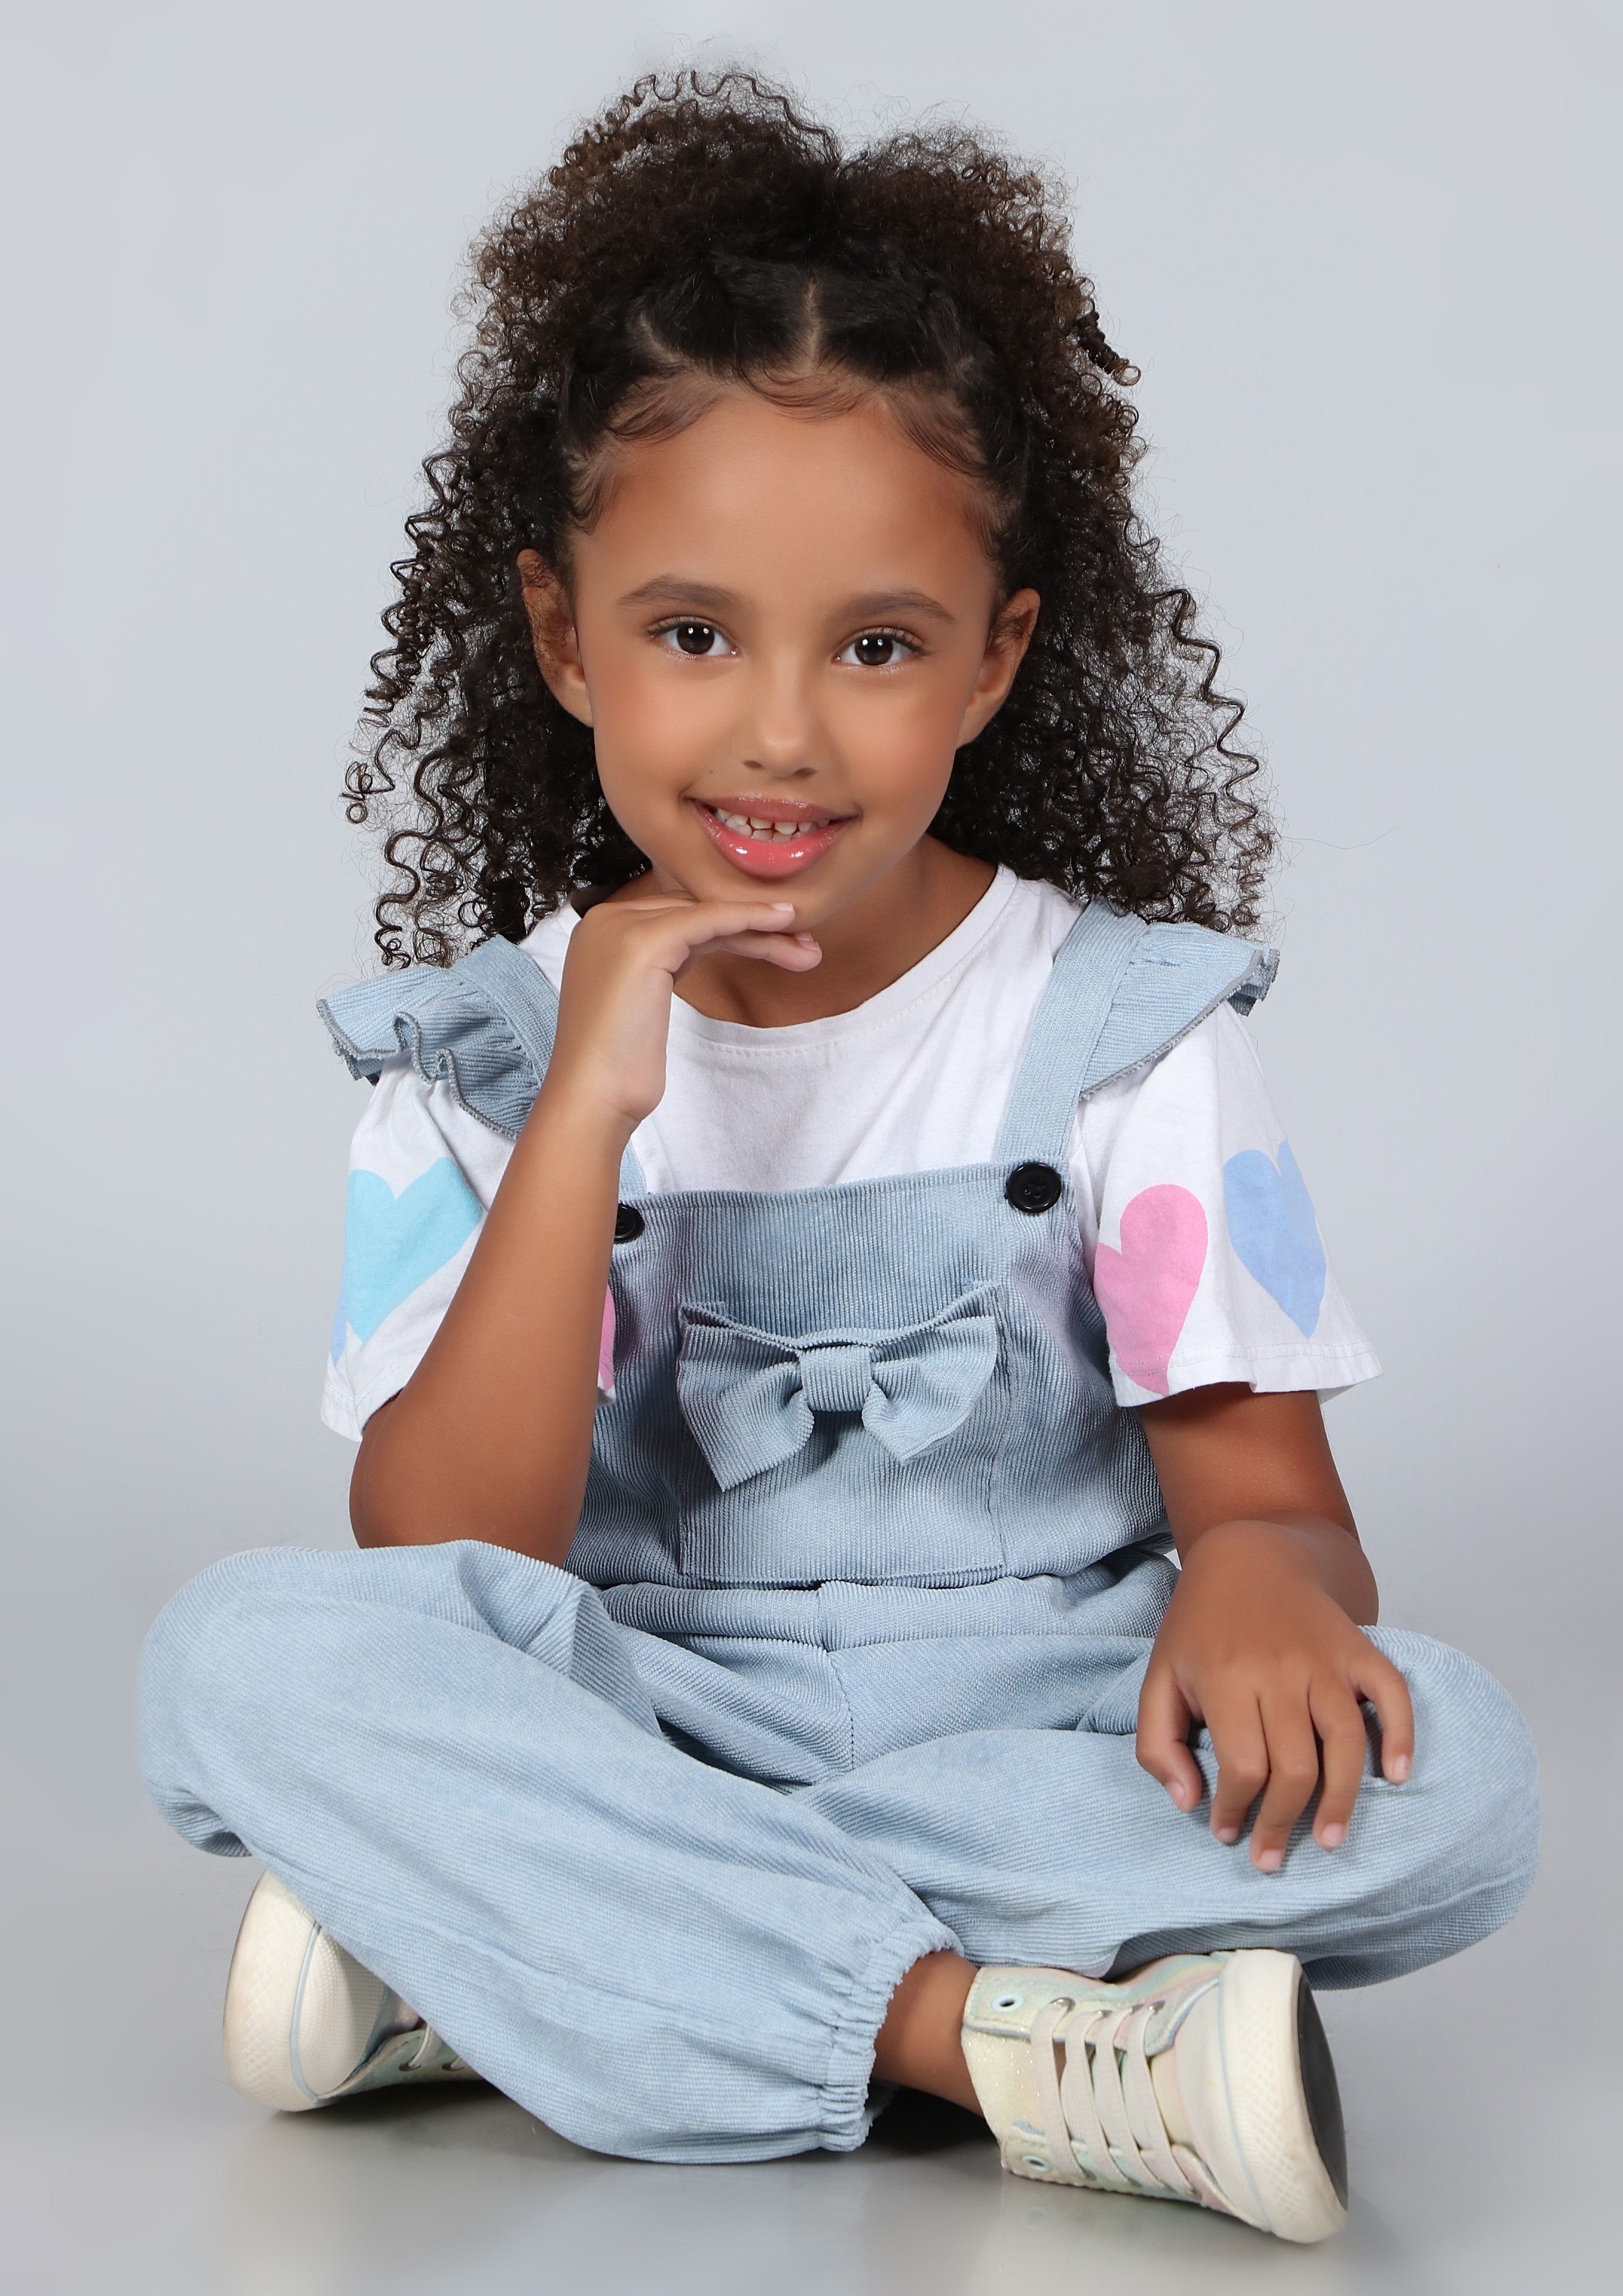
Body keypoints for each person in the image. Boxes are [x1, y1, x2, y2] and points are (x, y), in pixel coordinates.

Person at [140, 73, 1538, 2245]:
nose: (781, 731)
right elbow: (438, 1548)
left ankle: (513, 1948)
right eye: (692, 634)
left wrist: (1264, 1587)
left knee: (1458, 1770)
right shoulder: (478, 1057)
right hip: (642, 1704)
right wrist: (587, 1104)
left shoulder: (1125, 1031)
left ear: (991, 661)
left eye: (875, 647)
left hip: (1040, 1720)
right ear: (563, 637)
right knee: (237, 1660)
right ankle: (991, 2039)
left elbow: (1271, 1510)